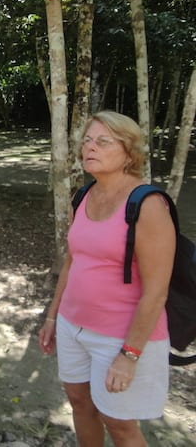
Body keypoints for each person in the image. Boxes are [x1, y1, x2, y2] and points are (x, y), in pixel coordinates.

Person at [38, 110, 175, 447]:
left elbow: (156, 293)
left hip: (121, 337)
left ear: (129, 153)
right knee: (80, 403)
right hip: (73, 326)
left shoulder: (148, 205)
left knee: (119, 424)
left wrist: (129, 356)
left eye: (103, 141)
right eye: (86, 141)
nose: (90, 148)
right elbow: (72, 262)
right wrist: (53, 316)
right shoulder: (83, 196)